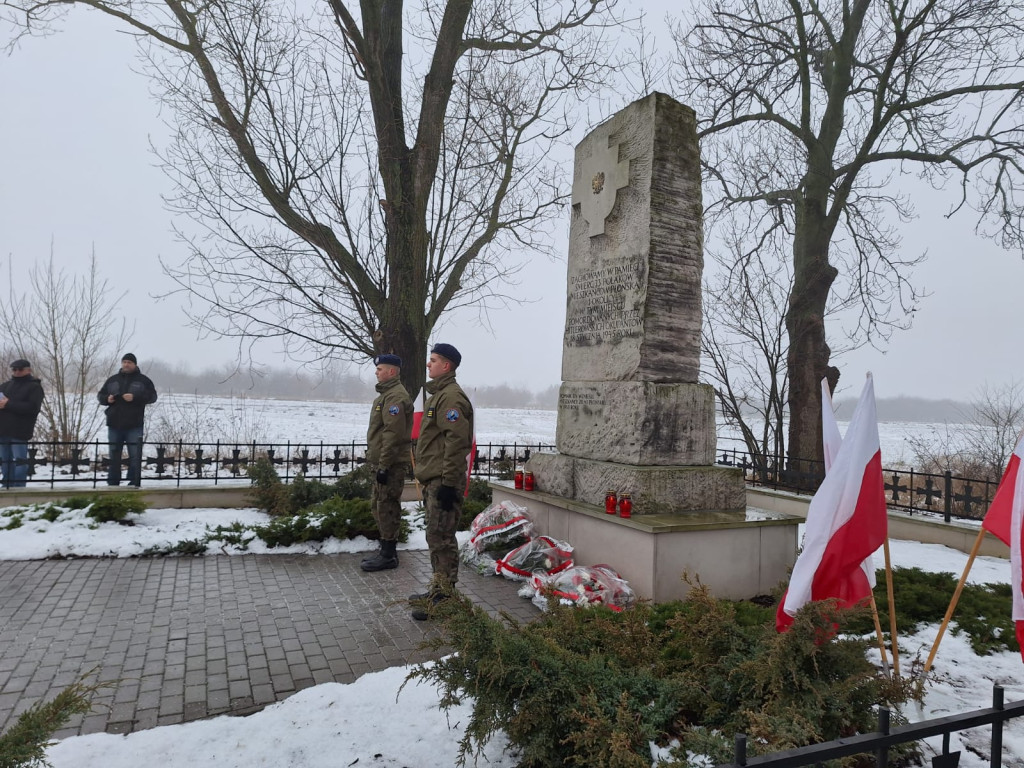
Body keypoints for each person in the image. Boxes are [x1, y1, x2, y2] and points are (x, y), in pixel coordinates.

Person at [410, 342, 474, 621]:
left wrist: (448, 484)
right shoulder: (439, 395)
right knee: (436, 536)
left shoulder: (450, 398)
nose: (428, 364)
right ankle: (439, 588)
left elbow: (456, 443)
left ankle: (445, 597)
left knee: (442, 537)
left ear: (446, 366)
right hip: (435, 479)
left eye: (433, 360)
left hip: (443, 481)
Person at [360, 353, 414, 572]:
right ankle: (385, 549)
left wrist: (383, 465)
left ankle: (389, 555)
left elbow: (392, 434)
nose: (376, 371)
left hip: (390, 464)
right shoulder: (387, 395)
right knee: (379, 505)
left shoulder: (395, 398)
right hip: (384, 462)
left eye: (380, 368)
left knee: (387, 506)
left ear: (392, 371)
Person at [98, 353, 158, 487]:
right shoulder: (113, 380)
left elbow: (153, 397)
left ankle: (133, 482)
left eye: (129, 362)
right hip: (114, 424)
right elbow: (100, 395)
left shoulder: (143, 380)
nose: (126, 364)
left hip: (134, 424)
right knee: (114, 456)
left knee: (135, 456)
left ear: (135, 364)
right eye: (124, 362)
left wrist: (135, 397)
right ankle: (113, 483)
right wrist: (107, 399)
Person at [0, 359, 45, 488]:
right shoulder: (5, 386)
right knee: (5, 462)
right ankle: (6, 486)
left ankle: (19, 487)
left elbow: (32, 407)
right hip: (3, 429)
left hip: (20, 430)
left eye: (20, 369)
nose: (17, 372)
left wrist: (8, 404)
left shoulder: (34, 387)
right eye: (14, 369)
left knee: (20, 462)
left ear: (28, 370)